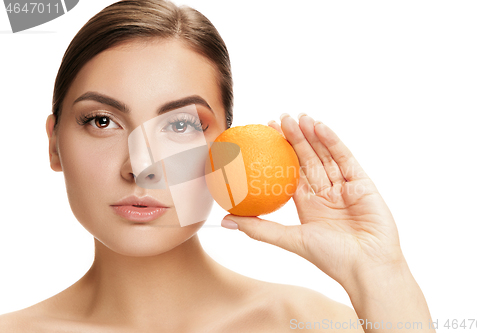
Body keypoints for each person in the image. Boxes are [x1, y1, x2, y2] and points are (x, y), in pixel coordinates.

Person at [0, 0, 434, 332]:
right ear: (54, 144)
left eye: (181, 125)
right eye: (102, 121)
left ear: (226, 145)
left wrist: (378, 274)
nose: (141, 166)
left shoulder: (307, 324)